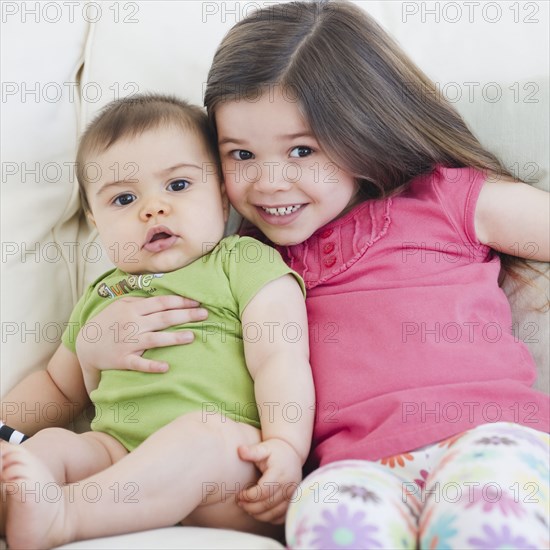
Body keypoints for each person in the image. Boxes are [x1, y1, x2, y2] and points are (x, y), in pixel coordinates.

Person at [2, 1, 549, 548]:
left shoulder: (445, 201)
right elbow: (68, 379)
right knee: (334, 530)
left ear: (366, 129)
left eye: (302, 150)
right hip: (352, 467)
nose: (268, 183)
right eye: (241, 154)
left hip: (490, 435)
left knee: (487, 519)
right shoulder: (249, 254)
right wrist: (93, 350)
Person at [0, 94, 315, 548]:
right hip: (117, 456)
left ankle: (65, 517)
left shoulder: (241, 261)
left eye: (179, 186)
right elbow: (57, 385)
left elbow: (280, 359)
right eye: (124, 198)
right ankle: (20, 511)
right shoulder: (104, 295)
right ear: (95, 221)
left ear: (223, 197)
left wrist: (286, 446)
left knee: (199, 435)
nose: (153, 208)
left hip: (231, 469)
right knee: (50, 447)